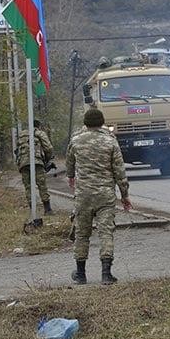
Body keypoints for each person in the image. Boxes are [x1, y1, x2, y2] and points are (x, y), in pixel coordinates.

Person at [66, 108, 131, 285]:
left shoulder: (76, 140)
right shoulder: (110, 141)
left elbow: (69, 164)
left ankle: (80, 274)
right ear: (102, 122)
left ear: (85, 123)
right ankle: (106, 274)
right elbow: (119, 170)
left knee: (82, 234)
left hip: (84, 195)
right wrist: (124, 195)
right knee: (106, 232)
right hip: (105, 195)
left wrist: (71, 177)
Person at [17, 119, 54, 215]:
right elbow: (48, 148)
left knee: (28, 187)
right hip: (37, 162)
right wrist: (48, 159)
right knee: (42, 185)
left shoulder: (21, 135)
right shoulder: (39, 133)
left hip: (24, 164)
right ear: (38, 126)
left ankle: (33, 211)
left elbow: (17, 150)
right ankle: (48, 209)